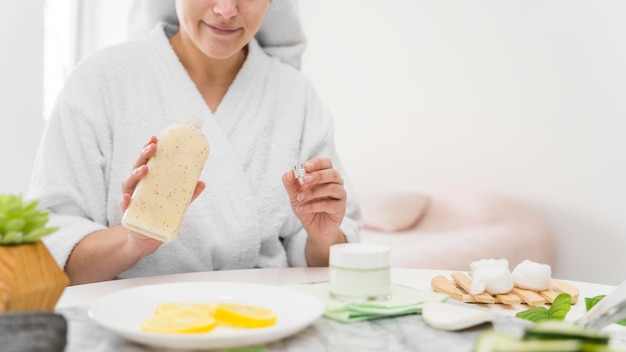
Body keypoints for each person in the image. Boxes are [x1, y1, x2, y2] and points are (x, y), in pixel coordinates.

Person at [28, 0, 362, 285]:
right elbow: (54, 250)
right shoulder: (100, 81)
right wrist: (133, 240)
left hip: (264, 317)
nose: (226, 9)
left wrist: (324, 237)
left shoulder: (295, 95)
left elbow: (321, 258)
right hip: (134, 319)